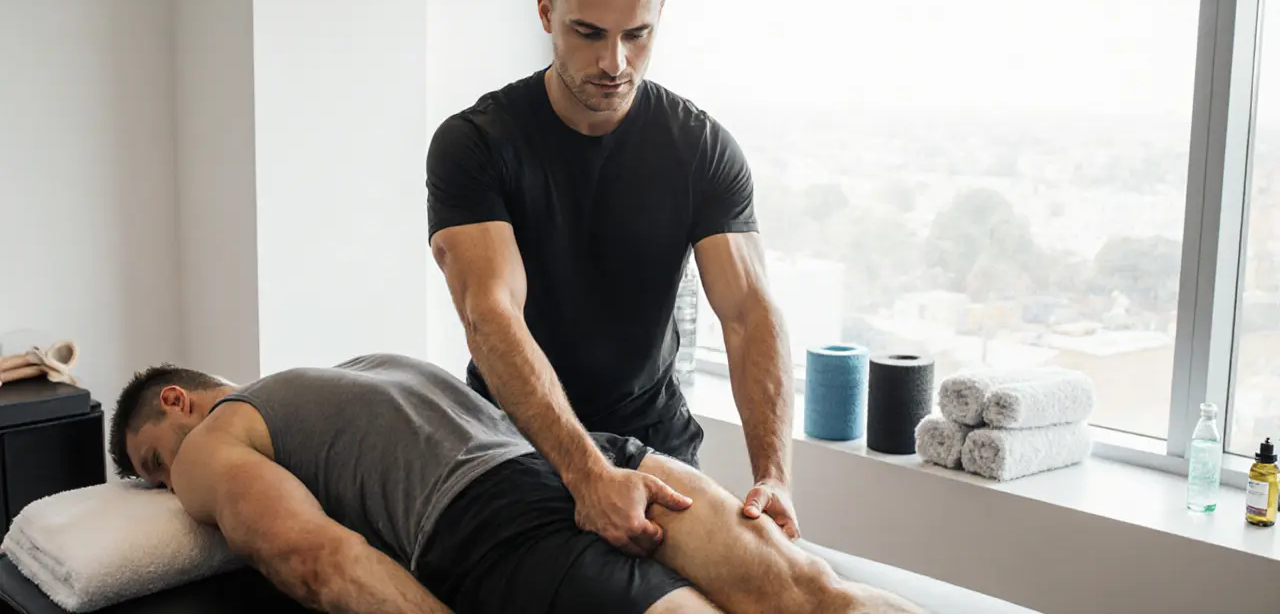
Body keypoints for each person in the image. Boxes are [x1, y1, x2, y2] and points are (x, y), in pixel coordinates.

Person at [426, 0, 797, 559]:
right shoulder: (476, 144)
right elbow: (491, 315)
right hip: (513, 444)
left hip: (657, 443)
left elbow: (747, 314)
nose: (614, 61)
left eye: (637, 34)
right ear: (546, 12)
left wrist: (774, 475)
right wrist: (587, 473)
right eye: (588, 32)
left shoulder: (701, 149)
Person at [108, 353, 923, 614]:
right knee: (816, 595)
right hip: (590, 460)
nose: (169, 488)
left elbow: (312, 556)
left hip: (490, 514)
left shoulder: (211, 442)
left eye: (153, 464)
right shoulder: (358, 368)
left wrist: (183, 467)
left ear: (176, 402)